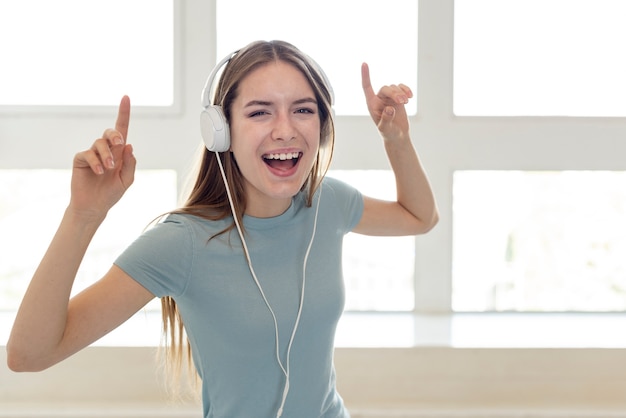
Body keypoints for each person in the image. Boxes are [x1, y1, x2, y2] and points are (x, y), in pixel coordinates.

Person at [6, 40, 438, 418]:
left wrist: (397, 141)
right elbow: (29, 354)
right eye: (260, 112)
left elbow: (420, 217)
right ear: (221, 130)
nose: (285, 129)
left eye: (303, 110)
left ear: (321, 126)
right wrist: (84, 214)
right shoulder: (183, 243)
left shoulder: (326, 202)